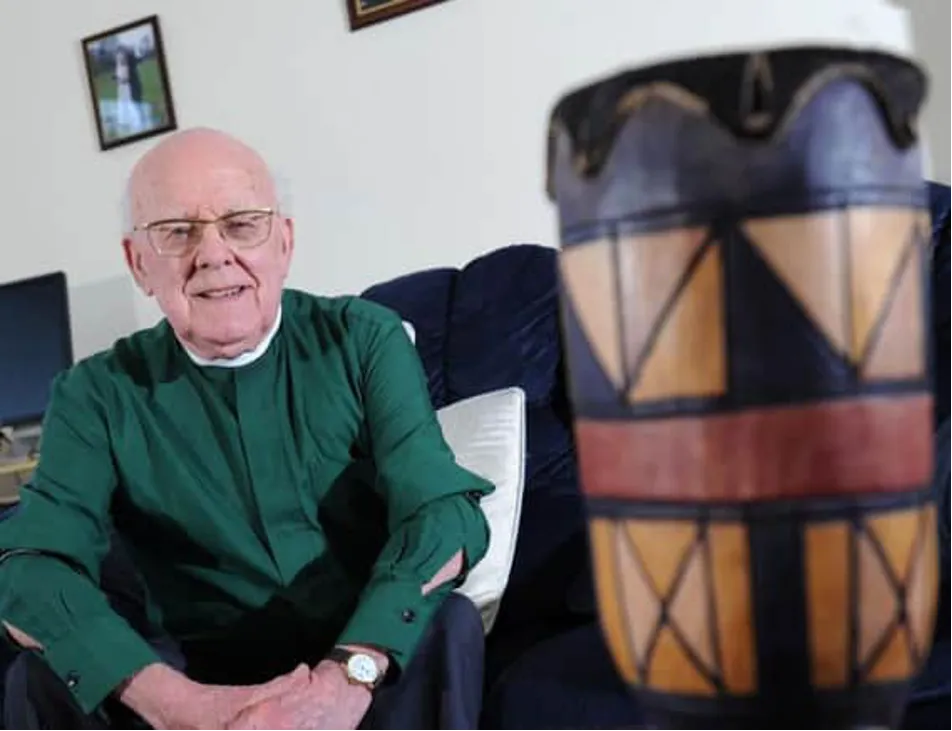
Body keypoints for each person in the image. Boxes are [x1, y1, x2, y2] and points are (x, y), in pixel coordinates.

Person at [0, 128, 495, 730]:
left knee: (449, 624)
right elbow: (29, 566)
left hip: (361, 648)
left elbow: (443, 515)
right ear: (138, 263)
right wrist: (179, 705)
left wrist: (348, 677)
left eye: (241, 224)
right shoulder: (93, 393)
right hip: (194, 672)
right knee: (43, 676)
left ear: (283, 243)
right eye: (177, 232)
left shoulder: (365, 338)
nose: (212, 253)